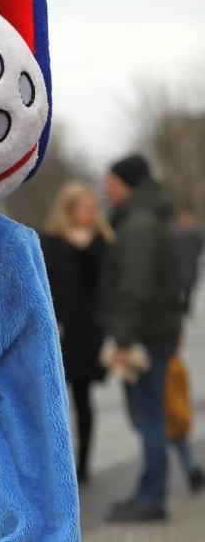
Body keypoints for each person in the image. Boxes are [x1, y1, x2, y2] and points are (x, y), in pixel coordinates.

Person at [100, 154, 183, 521]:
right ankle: (148, 492)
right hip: (157, 332)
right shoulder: (150, 219)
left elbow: (136, 289)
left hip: (144, 338)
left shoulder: (138, 226)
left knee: (148, 420)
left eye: (112, 183)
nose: (107, 190)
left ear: (128, 184)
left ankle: (151, 499)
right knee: (150, 418)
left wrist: (122, 342)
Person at [41, 181, 113, 483]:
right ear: (69, 209)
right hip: (60, 331)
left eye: (94, 208)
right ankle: (58, 463)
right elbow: (45, 285)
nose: (91, 213)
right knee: (56, 400)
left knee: (84, 399)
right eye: (86, 208)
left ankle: (83, 464)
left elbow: (107, 287)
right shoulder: (50, 241)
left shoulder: (103, 242)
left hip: (89, 332)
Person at [165, 349, 205, 492]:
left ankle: (191, 471)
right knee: (181, 446)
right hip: (174, 418)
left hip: (172, 419)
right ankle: (191, 471)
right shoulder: (173, 366)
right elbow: (174, 398)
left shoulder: (172, 365)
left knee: (179, 447)